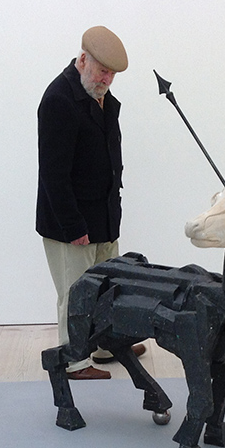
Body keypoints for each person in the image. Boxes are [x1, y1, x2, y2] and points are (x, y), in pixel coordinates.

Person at [36, 26, 145, 380]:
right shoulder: (59, 100)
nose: (106, 80)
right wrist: (73, 227)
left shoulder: (103, 99)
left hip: (103, 217)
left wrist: (112, 217)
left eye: (112, 74)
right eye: (102, 71)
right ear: (82, 59)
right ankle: (74, 361)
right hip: (72, 224)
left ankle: (105, 345)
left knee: (106, 288)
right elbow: (53, 174)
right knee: (75, 293)